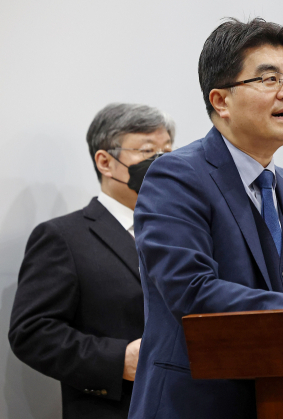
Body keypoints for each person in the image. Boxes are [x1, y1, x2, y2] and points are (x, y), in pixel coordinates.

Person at [128, 18, 283, 419]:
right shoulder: (176, 176)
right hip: (197, 403)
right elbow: (193, 290)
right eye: (269, 79)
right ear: (220, 100)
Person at [8, 103, 175, 418]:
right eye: (148, 151)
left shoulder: (184, 232)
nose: (163, 162)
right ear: (105, 161)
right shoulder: (63, 237)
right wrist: (117, 360)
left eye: (168, 150)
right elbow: (31, 333)